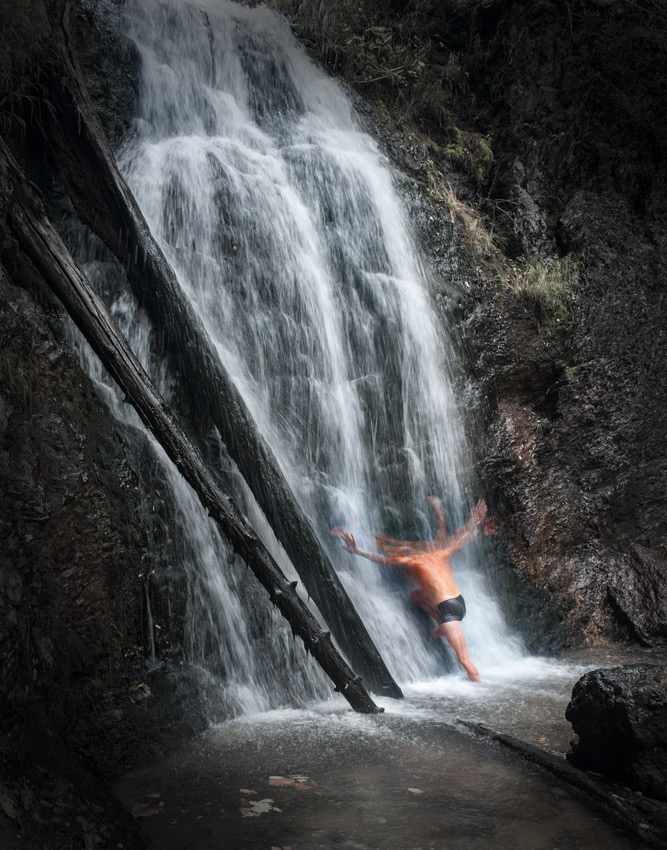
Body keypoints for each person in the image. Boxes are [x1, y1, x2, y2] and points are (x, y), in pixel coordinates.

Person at [332, 497, 495, 683]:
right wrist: (475, 521)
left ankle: (481, 689)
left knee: (464, 660)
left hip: (448, 610)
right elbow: (460, 542)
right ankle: (439, 630)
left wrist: (358, 551)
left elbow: (383, 560)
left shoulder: (412, 560)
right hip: (459, 602)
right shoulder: (438, 554)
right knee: (416, 596)